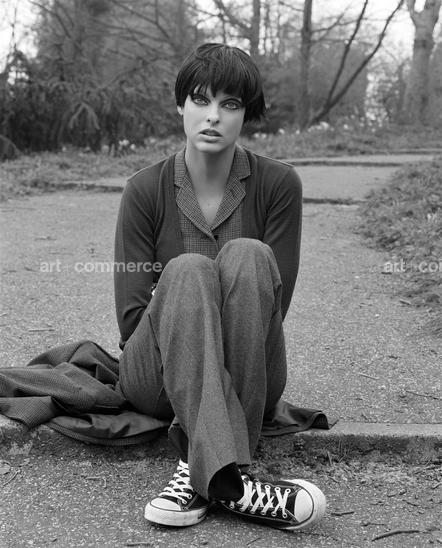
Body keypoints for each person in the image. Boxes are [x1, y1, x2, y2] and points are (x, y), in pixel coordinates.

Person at [114, 42, 326, 531]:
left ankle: (204, 475)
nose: (213, 116)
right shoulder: (143, 190)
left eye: (230, 104)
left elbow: (270, 311)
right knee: (189, 269)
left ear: (246, 114)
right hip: (157, 377)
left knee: (249, 254)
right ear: (180, 105)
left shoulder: (279, 185)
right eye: (200, 99)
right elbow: (131, 321)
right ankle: (231, 476)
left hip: (251, 368)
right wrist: (184, 301)